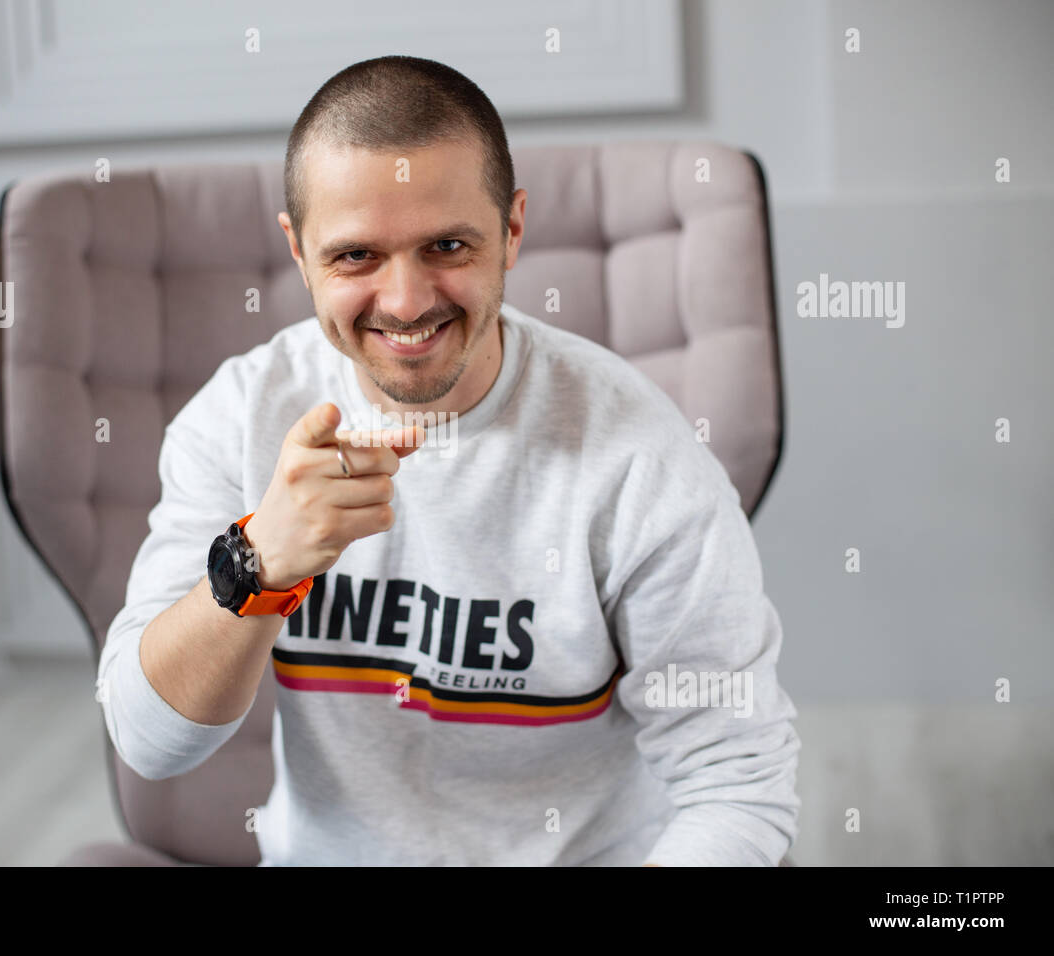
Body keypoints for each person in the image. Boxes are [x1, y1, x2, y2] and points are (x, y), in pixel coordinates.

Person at [97, 55, 800, 866]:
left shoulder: (640, 457)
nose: (405, 301)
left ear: (512, 230)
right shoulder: (241, 417)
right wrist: (261, 561)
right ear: (298, 250)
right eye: (355, 255)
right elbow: (151, 745)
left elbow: (736, 781)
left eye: (447, 245)